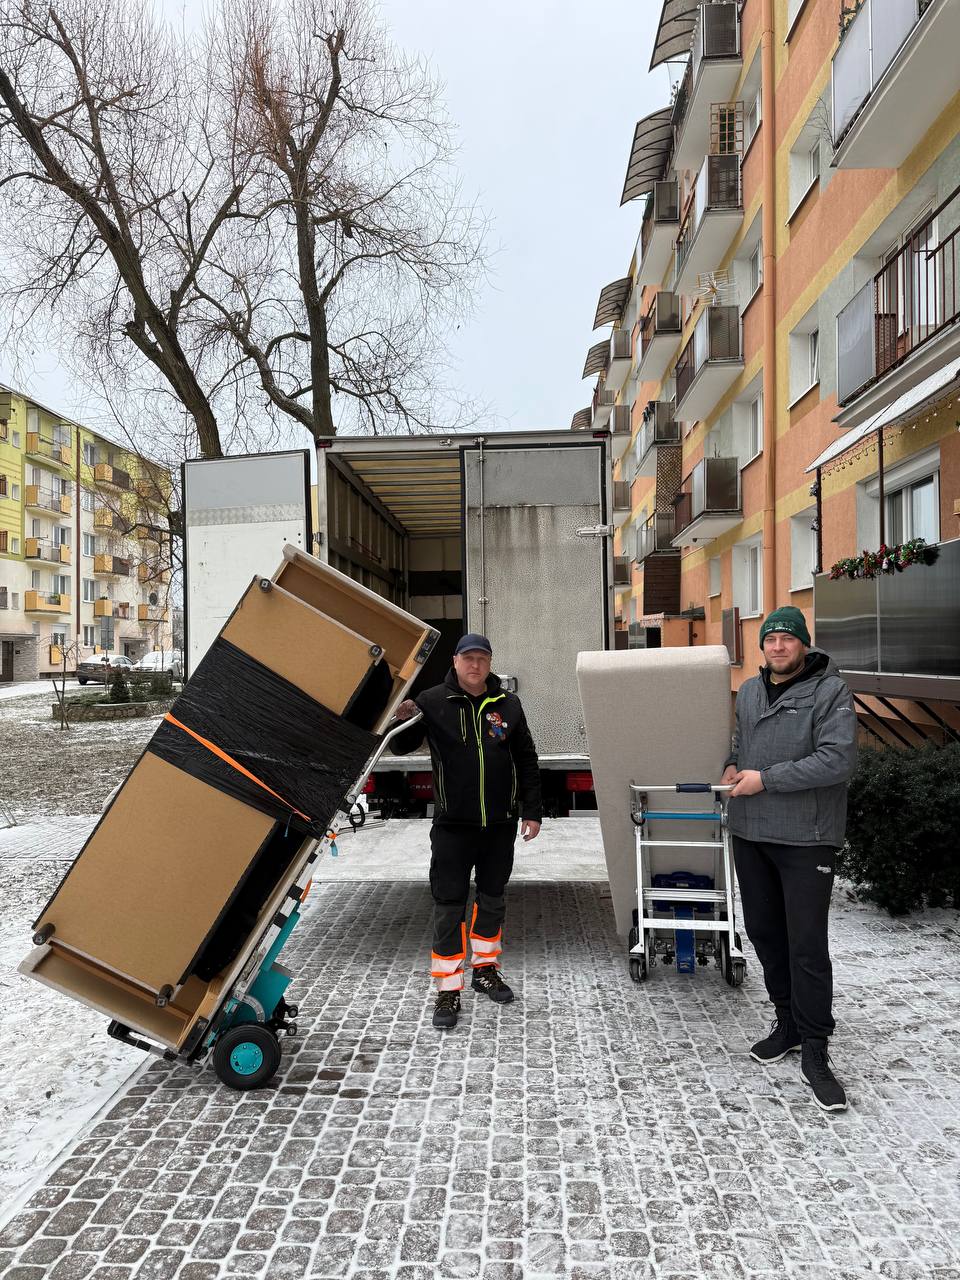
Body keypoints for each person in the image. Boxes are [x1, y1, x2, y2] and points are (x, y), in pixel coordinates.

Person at [721, 605, 858, 1112]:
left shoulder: (830, 692)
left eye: (788, 639)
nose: (778, 647)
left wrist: (766, 779)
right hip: (751, 832)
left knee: (806, 944)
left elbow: (837, 760)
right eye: (771, 639)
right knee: (764, 933)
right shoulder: (750, 691)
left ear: (803, 644)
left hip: (806, 837)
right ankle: (788, 1023)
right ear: (763, 646)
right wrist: (733, 764)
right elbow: (741, 741)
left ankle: (817, 1048)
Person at [392, 633, 542, 1029]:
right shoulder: (432, 701)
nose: (475, 665)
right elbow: (401, 747)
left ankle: (485, 970)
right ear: (455, 662)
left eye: (482, 658)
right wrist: (402, 717)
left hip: (499, 825)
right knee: (449, 906)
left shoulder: (508, 704)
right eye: (468, 658)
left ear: (489, 663)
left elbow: (526, 758)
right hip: (452, 827)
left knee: (492, 899)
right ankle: (448, 988)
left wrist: (532, 811)